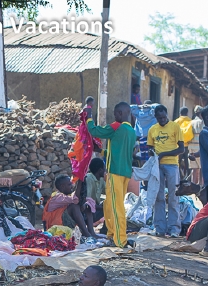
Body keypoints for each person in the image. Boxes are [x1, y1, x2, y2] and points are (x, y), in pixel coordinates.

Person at [85, 102, 137, 248]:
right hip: (125, 173)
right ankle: (112, 234)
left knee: (116, 207)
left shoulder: (116, 127)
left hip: (115, 173)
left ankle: (120, 240)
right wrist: (101, 151)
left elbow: (94, 131)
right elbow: (117, 153)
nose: (114, 117)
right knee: (110, 204)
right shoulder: (131, 131)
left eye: (115, 114)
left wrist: (89, 117)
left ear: (120, 113)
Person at [147, 104, 185, 237]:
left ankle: (174, 229)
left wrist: (164, 154)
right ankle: (160, 228)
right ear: (156, 117)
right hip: (157, 167)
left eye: (164, 117)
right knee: (159, 196)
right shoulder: (152, 129)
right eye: (159, 118)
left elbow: (181, 149)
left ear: (167, 115)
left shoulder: (175, 127)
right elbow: (150, 148)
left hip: (172, 165)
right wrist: (152, 154)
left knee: (173, 197)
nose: (162, 120)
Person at [42, 175, 99, 240]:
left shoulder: (67, 196)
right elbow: (75, 200)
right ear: (62, 186)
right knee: (74, 206)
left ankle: (91, 232)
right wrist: (80, 182)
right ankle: (87, 234)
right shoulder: (57, 197)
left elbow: (83, 201)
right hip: (54, 227)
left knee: (86, 206)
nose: (72, 186)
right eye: (69, 184)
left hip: (64, 224)